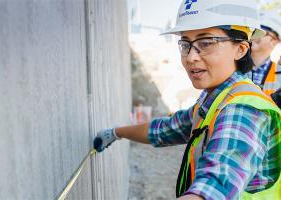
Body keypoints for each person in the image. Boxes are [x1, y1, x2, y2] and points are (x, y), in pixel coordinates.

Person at [93, 1, 281, 199]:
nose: (191, 57)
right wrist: (115, 133)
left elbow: (215, 185)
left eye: (206, 43)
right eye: (185, 44)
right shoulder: (216, 98)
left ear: (241, 49)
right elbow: (166, 129)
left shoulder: (242, 110)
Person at [248, 12, 281, 107]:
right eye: (254, 30)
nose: (255, 35)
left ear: (274, 41)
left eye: (262, 32)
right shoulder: (230, 66)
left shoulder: (279, 75)